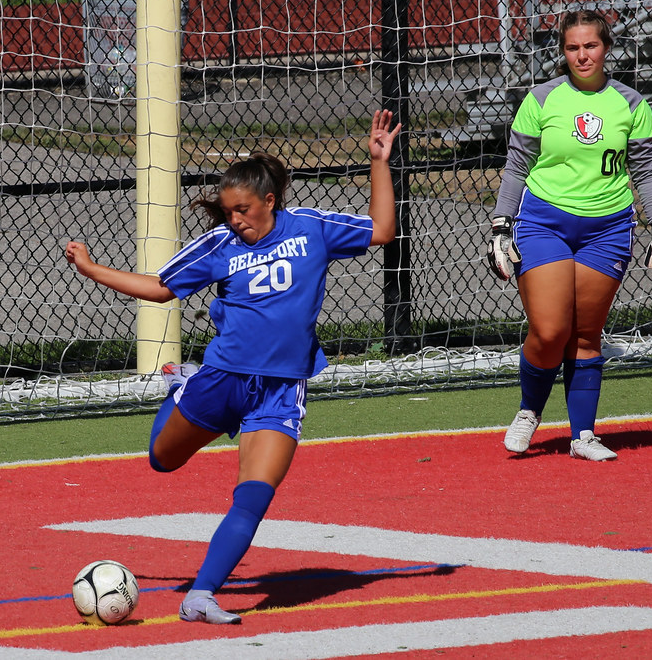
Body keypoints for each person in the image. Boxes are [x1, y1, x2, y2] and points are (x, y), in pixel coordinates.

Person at [65, 110, 402, 624]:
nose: (235, 219)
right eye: (228, 212)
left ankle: (201, 594)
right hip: (221, 380)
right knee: (162, 459)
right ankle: (181, 388)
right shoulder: (219, 245)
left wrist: (379, 162)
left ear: (270, 201)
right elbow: (159, 288)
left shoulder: (311, 227)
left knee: (254, 496)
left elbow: (381, 229)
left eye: (243, 209)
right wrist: (92, 269)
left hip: (281, 390)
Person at [486, 10, 652, 462]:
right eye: (573, 47)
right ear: (563, 53)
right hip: (544, 221)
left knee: (587, 334)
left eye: (590, 46)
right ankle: (529, 410)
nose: (582, 55)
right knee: (551, 330)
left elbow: (646, 170)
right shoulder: (541, 99)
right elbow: (516, 167)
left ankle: (583, 435)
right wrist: (500, 225)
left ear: (606, 48)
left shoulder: (630, 104)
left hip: (608, 227)